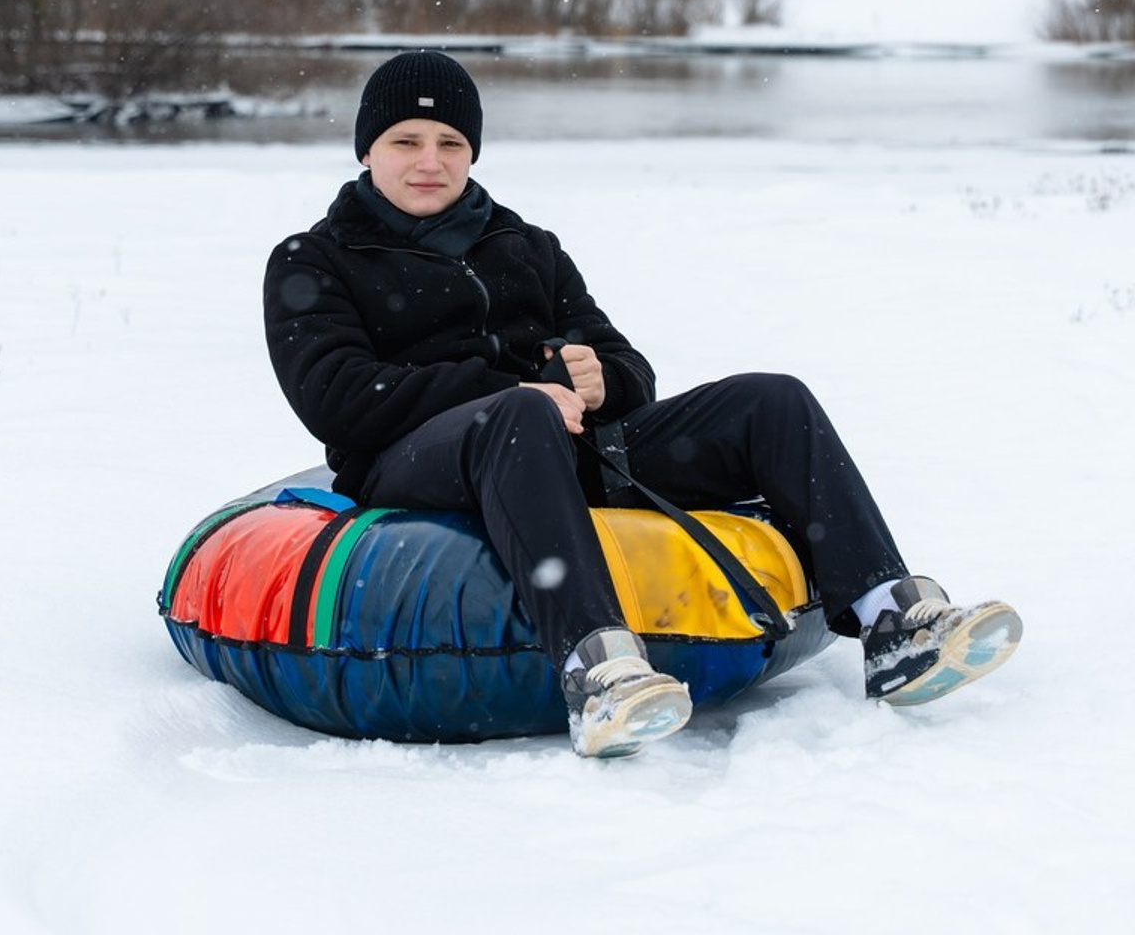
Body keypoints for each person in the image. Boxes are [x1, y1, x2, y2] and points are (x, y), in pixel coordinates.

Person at [264, 50, 1022, 758]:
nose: (430, 161)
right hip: (420, 463)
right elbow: (339, 400)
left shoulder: (525, 245)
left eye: (450, 142)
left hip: (572, 449)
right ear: (368, 150)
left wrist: (603, 382)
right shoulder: (316, 258)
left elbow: (630, 368)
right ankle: (597, 668)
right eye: (406, 140)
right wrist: (505, 391)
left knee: (772, 400)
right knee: (520, 418)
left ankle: (890, 619)